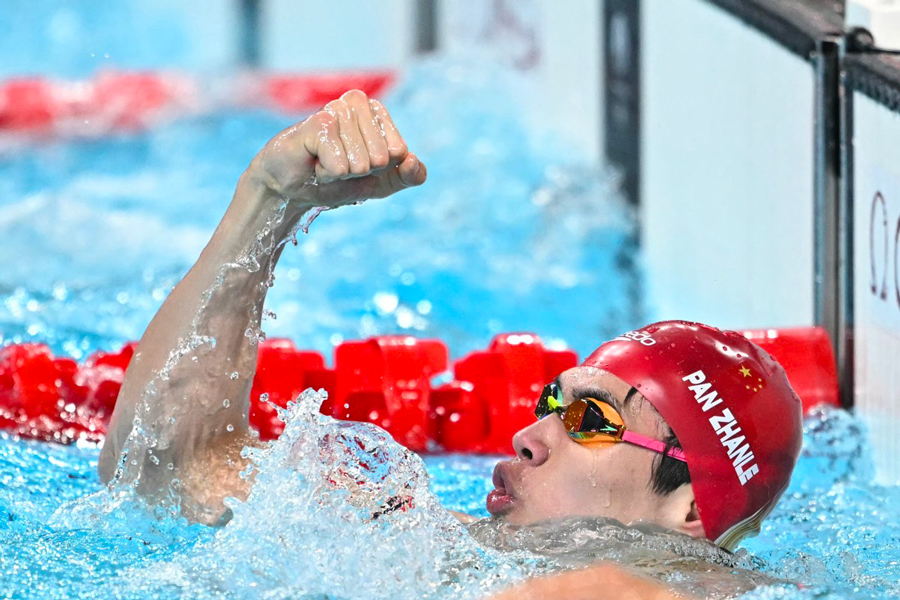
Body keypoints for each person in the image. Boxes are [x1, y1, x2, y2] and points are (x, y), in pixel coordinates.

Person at [97, 90, 802, 595]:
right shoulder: (445, 550)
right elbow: (165, 470)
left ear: (689, 509)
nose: (529, 436)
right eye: (551, 403)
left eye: (591, 420)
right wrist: (269, 200)